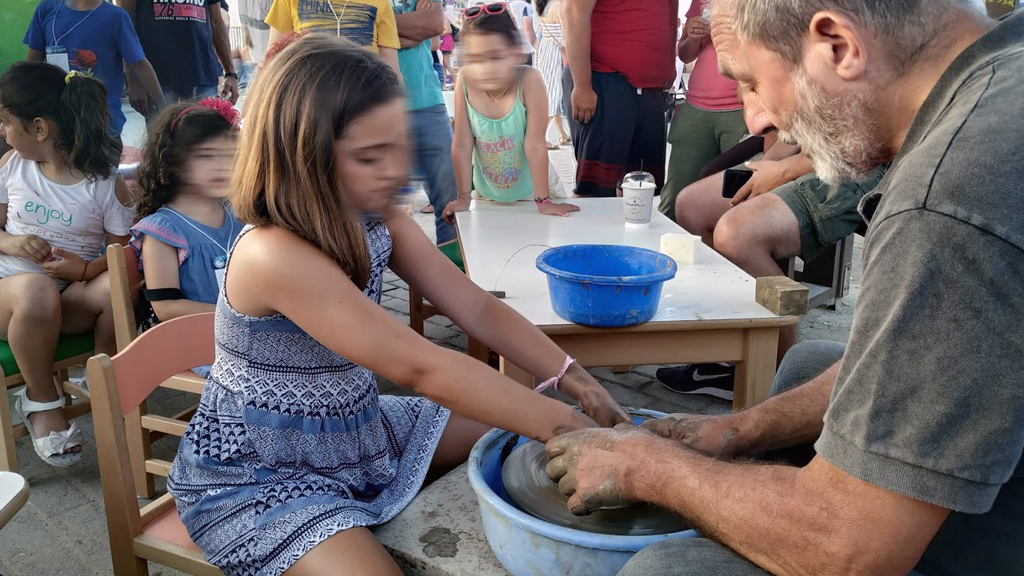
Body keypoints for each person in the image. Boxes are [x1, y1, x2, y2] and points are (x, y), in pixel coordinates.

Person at [545, 3, 1024, 576]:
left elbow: (848, 552)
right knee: (806, 371)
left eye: (752, 82)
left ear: (836, 46)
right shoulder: (1003, 64)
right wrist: (731, 431)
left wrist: (650, 467)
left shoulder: (947, 198)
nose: (756, 124)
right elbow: (921, 354)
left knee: (670, 570)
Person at [166, 34, 628, 576]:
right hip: (258, 474)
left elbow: (475, 308)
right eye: (369, 157)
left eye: (397, 149)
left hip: (354, 432)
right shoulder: (272, 252)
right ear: (300, 156)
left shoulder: (375, 215)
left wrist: (575, 379)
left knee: (515, 443)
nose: (392, 173)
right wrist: (565, 423)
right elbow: (421, 365)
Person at [0, 63, 133, 467]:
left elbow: (123, 257)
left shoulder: (105, 183)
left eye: (6, 123)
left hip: (67, 298)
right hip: (9, 296)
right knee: (37, 291)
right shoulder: (12, 167)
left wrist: (86, 271)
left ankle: (105, 375)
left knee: (117, 285)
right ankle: (41, 398)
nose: (3, 133)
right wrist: (14, 242)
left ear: (39, 129)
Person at [443, 4, 578, 220]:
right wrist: (463, 197)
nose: (486, 67)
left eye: (496, 57)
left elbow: (534, 145)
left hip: (535, 191)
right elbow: (462, 143)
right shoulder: (465, 80)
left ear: (516, 53)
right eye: (476, 59)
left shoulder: (529, 79)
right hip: (487, 194)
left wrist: (543, 202)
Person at [130, 99, 242, 337]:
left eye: (230, 156)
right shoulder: (163, 231)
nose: (223, 166)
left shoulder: (240, 214)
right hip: (193, 344)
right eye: (207, 156)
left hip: (243, 338)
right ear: (175, 164)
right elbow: (166, 307)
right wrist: (237, 318)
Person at [562, 0, 677, 197]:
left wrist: (667, 70)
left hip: (651, 89)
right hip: (604, 79)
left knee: (642, 189)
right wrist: (582, 85)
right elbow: (573, 11)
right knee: (595, 190)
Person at [23, 0, 164, 140]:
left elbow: (139, 63)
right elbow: (32, 65)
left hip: (102, 125)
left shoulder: (115, 17)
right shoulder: (46, 9)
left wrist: (164, 107)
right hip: (58, 122)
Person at [658, 0, 746, 222]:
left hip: (742, 110)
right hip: (696, 106)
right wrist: (693, 36)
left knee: (737, 198)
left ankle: (723, 253)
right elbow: (685, 55)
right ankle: (665, 251)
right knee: (675, 195)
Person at [390, 0, 459, 243]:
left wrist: (382, 30)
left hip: (427, 101)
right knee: (379, 206)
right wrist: (413, 32)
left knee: (450, 199)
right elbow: (360, 34)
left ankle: (451, 272)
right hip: (376, 107)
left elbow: (434, 25)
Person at [117, 0, 240, 105]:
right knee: (163, 132)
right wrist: (134, 80)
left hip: (203, 78)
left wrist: (230, 74)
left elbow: (216, 22)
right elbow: (126, 24)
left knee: (206, 132)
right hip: (157, 81)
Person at [265, 0, 403, 79]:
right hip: (308, 103)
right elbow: (272, 60)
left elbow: (391, 69)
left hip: (364, 104)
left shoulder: (381, 3)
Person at [534, 0, 571, 149]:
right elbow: (566, 33)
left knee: (551, 92)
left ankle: (563, 134)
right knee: (553, 94)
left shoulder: (543, 7)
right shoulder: (559, 6)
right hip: (557, 53)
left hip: (546, 50)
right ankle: (540, 137)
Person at [508, 0, 536, 65]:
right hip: (526, 48)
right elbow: (527, 27)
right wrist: (533, 44)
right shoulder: (526, 6)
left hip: (513, 47)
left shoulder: (509, 6)